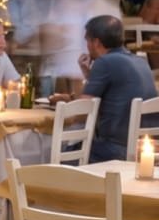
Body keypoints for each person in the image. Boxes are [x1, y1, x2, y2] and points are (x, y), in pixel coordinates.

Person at [51, 14, 155, 161]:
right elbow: (113, 93)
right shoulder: (141, 61)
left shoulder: (105, 62)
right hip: (144, 149)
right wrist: (89, 75)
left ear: (96, 42)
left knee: (63, 154)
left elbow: (83, 112)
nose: (86, 46)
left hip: (115, 150)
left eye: (87, 41)